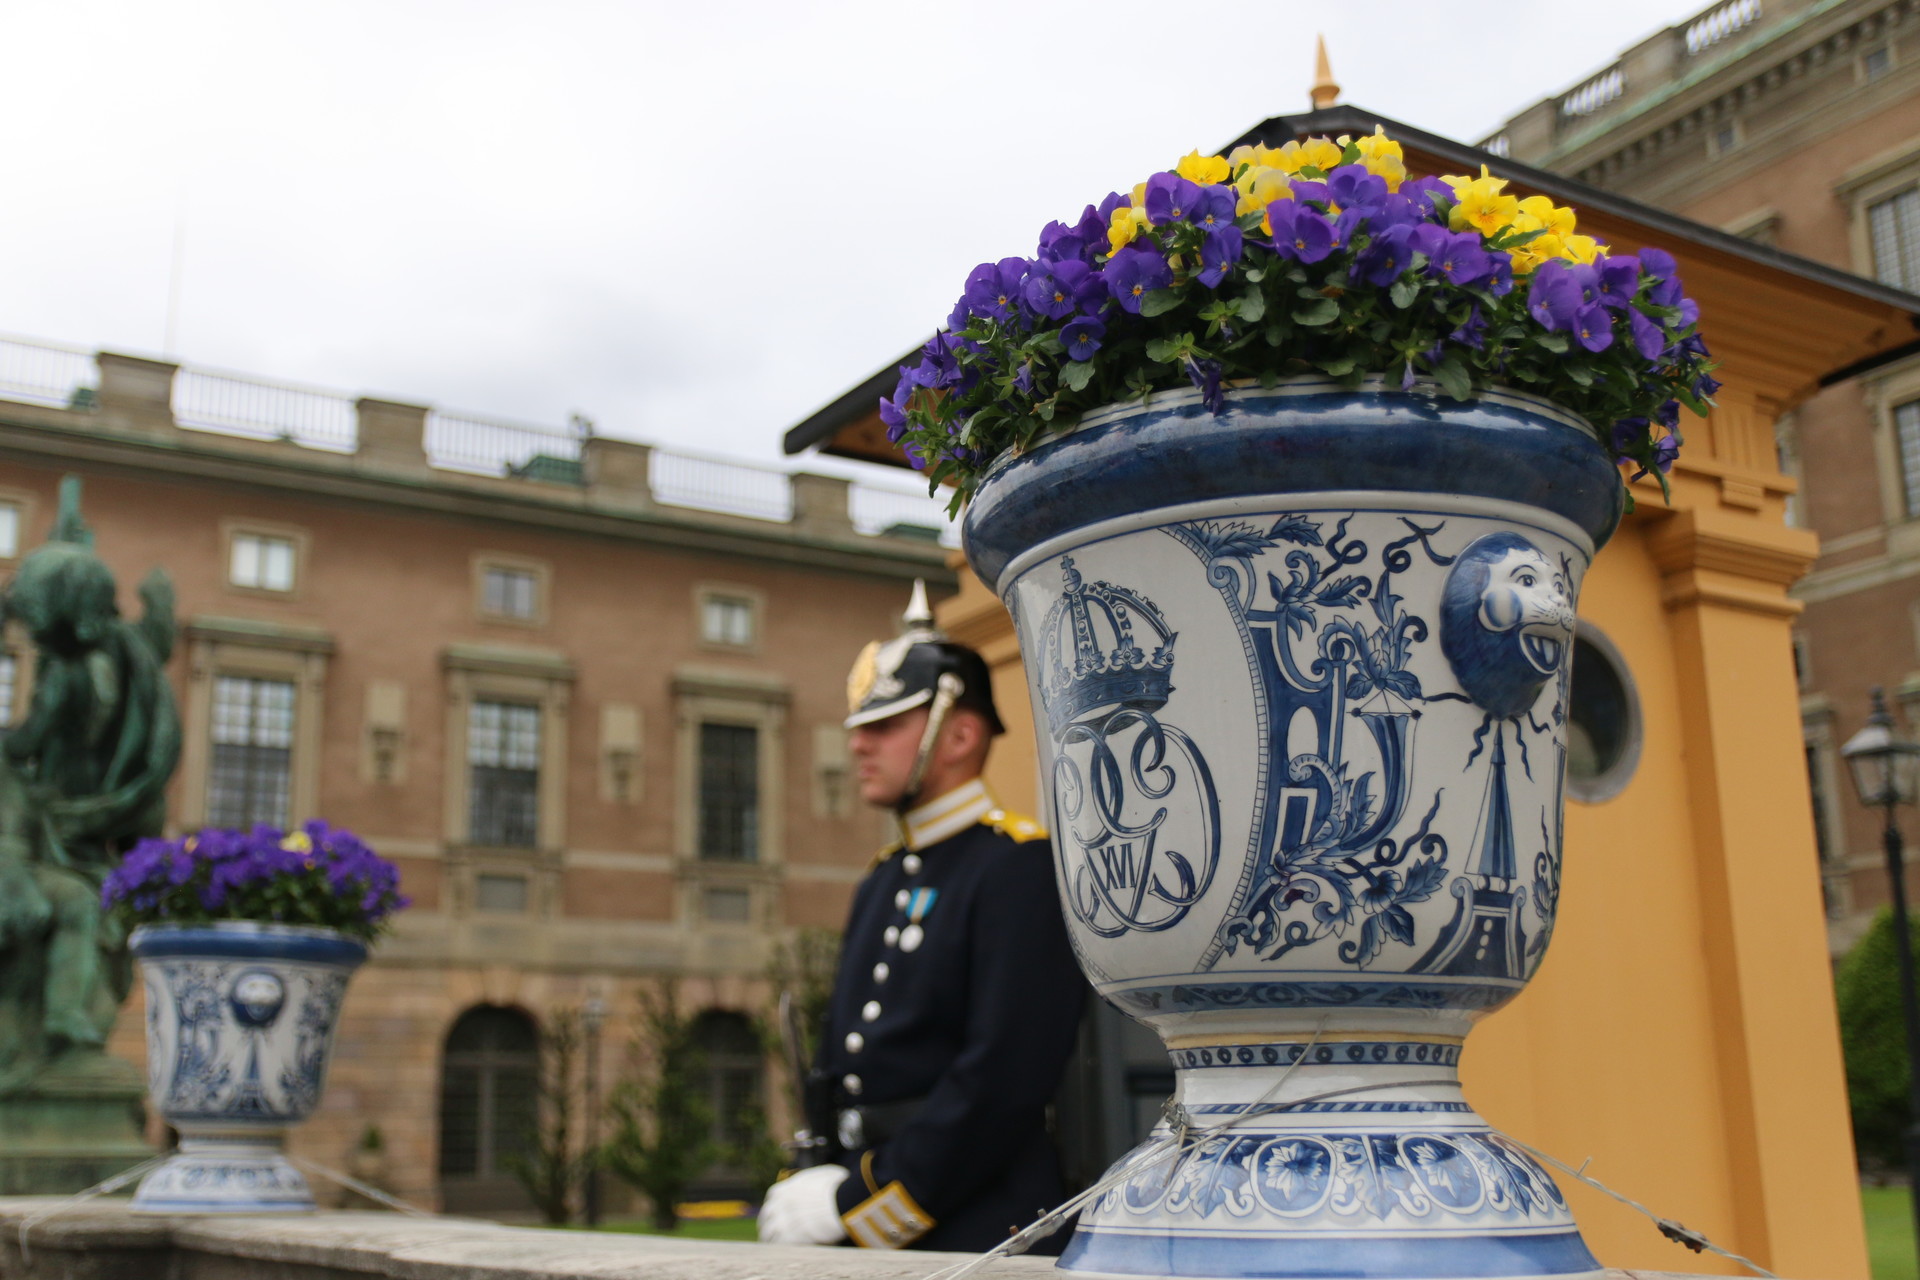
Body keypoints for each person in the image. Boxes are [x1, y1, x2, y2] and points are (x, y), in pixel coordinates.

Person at [758, 582, 1086, 1253]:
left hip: (979, 1225)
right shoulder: (882, 879)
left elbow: (1002, 1082)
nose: (858, 745)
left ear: (959, 733)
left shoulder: (1018, 869)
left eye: (883, 726)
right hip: (878, 1202)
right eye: (858, 728)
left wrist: (857, 1204)